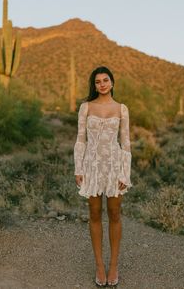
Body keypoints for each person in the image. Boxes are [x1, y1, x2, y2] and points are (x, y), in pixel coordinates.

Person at [74, 66, 132, 287]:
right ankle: (99, 265)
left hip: (114, 166)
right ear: (94, 85)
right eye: (97, 82)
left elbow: (125, 141)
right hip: (92, 166)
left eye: (105, 80)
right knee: (95, 213)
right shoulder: (86, 107)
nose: (102, 84)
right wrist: (78, 168)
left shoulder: (122, 109)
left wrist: (125, 172)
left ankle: (114, 265)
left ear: (112, 82)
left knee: (115, 213)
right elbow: (81, 139)